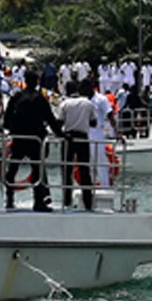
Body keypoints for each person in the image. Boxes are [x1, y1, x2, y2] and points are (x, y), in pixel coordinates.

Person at [3, 69, 63, 211]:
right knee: (38, 170)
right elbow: (50, 119)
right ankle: (38, 201)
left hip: (19, 138)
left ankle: (9, 199)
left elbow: (6, 121)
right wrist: (61, 134)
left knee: (12, 170)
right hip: (36, 139)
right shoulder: (40, 99)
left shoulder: (16, 98)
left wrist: (13, 130)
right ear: (37, 82)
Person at [57, 80, 97, 210]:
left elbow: (59, 123)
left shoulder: (64, 104)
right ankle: (88, 202)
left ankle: (67, 201)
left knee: (66, 170)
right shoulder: (87, 103)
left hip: (68, 138)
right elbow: (94, 123)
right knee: (85, 170)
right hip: (82, 138)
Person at [85, 79, 121, 186]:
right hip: (85, 132)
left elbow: (110, 115)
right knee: (87, 163)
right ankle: (88, 187)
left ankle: (105, 186)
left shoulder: (101, 99)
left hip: (97, 132)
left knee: (101, 161)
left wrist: (117, 132)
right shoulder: (84, 100)